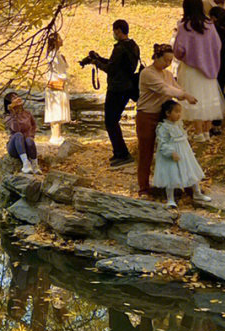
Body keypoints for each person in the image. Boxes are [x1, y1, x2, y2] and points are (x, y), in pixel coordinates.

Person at [135, 44, 197, 197]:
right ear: (156, 57)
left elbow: (176, 88)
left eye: (171, 61)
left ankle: (184, 184)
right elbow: (165, 89)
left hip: (165, 117)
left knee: (177, 149)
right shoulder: (147, 74)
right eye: (166, 60)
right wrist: (185, 96)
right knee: (146, 152)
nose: (168, 64)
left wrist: (187, 95)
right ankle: (143, 187)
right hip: (147, 116)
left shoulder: (168, 74)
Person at [81, 19, 140, 167]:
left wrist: (96, 63)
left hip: (117, 88)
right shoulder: (133, 46)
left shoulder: (120, 48)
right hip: (128, 87)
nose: (114, 33)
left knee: (110, 122)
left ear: (119, 31)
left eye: (115, 31)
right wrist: (99, 58)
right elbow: (116, 64)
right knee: (113, 121)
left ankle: (122, 154)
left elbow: (111, 69)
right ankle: (119, 152)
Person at [172, 0, 222, 141]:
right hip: (209, 67)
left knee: (194, 98)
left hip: (190, 69)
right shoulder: (210, 25)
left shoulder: (184, 27)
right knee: (208, 98)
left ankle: (198, 132)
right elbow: (217, 45)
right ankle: (207, 131)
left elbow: (178, 50)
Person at [151, 99, 209, 207]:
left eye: (179, 112)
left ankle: (197, 193)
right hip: (172, 155)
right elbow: (162, 143)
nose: (179, 115)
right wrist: (171, 152)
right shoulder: (163, 127)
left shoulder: (178, 124)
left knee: (191, 170)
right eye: (176, 112)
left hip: (184, 153)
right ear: (167, 113)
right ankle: (170, 199)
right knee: (171, 174)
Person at [43, 31, 71, 145]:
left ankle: (57, 135)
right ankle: (55, 137)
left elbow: (63, 68)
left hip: (59, 85)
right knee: (56, 110)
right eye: (59, 38)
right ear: (55, 41)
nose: (61, 40)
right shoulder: (52, 55)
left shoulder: (57, 54)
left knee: (58, 109)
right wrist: (65, 77)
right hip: (56, 85)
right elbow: (57, 71)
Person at [3, 90, 39, 175]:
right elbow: (15, 129)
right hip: (15, 146)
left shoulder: (27, 113)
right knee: (18, 135)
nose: (17, 98)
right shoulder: (8, 116)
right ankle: (25, 163)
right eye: (13, 98)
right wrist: (13, 113)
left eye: (17, 96)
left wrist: (31, 136)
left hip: (26, 144)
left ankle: (35, 165)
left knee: (29, 140)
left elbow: (34, 126)